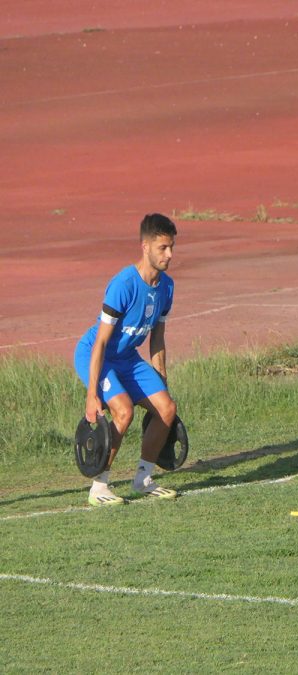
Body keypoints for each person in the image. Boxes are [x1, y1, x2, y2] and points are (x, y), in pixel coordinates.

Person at [74, 213, 180, 505]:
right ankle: (99, 487)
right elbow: (101, 342)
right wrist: (91, 395)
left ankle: (143, 480)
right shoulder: (124, 284)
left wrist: (162, 382)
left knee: (166, 409)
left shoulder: (166, 287)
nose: (169, 254)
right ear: (145, 247)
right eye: (163, 248)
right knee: (123, 411)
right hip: (97, 355)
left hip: (127, 359)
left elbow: (157, 340)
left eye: (171, 247)